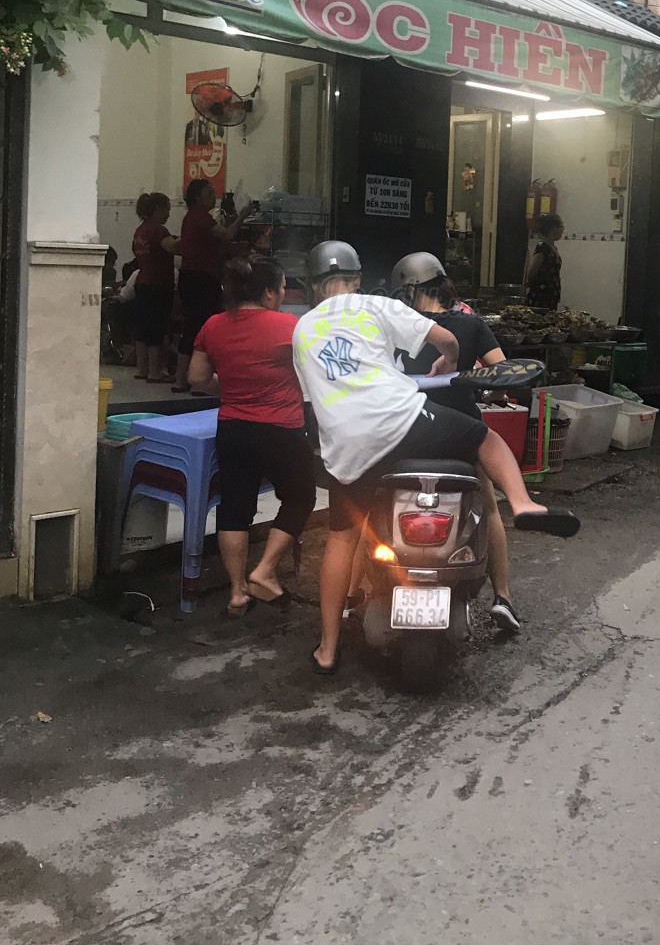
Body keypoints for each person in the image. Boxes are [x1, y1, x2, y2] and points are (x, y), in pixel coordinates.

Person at [292, 241, 580, 676]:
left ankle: (328, 650)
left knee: (342, 539)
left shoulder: (302, 330)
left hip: (348, 447)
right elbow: (446, 339)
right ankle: (523, 504)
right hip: (402, 421)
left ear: (313, 286)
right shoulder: (375, 306)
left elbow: (312, 400)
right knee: (486, 439)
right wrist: (447, 360)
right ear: (357, 279)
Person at [392, 251, 523, 635]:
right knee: (491, 509)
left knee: (370, 504)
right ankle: (502, 598)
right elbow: (502, 371)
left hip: (408, 434)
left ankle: (354, 597)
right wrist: (490, 390)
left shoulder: (399, 325)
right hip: (464, 436)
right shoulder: (471, 324)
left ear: (411, 289)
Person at [188, 258, 317, 618]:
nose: (284, 295)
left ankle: (236, 593)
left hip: (233, 429)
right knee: (301, 495)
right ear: (269, 292)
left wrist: (231, 382)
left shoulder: (213, 325)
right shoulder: (288, 326)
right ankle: (264, 571)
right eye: (283, 288)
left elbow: (197, 378)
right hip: (281, 430)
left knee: (234, 507)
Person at [172, 180, 253, 393]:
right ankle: (195, 380)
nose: (213, 197)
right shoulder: (200, 216)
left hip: (194, 277)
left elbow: (221, 231)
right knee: (200, 328)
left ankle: (183, 379)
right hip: (200, 278)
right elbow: (227, 234)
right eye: (208, 193)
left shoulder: (195, 217)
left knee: (193, 326)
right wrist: (243, 216)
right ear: (197, 197)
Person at [132, 193, 180, 383]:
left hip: (142, 283)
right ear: (158, 209)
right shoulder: (158, 230)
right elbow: (172, 247)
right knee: (157, 329)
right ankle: (155, 372)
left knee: (142, 329)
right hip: (158, 285)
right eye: (167, 209)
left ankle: (142, 369)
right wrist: (190, 238)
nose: (169, 214)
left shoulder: (140, 230)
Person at [525, 213, 564, 310]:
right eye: (561, 226)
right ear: (554, 229)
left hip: (551, 296)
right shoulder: (543, 248)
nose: (563, 230)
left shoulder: (553, 248)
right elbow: (531, 274)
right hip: (541, 296)